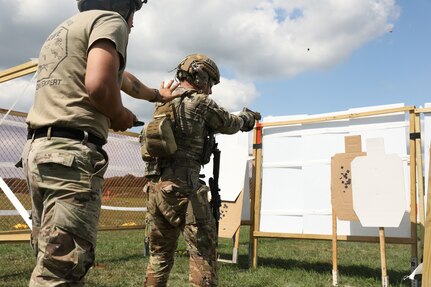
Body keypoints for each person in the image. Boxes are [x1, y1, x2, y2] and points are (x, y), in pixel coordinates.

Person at [20, 0, 178, 285]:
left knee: (51, 255)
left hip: (41, 152)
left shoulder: (66, 29)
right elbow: (99, 85)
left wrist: (156, 95)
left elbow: (122, 79)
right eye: (134, 13)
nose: (133, 24)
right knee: (62, 268)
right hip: (70, 155)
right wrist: (118, 115)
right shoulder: (111, 20)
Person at [142, 53, 260, 286]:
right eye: (211, 83)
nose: (211, 90)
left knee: (159, 256)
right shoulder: (200, 102)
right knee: (203, 254)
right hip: (185, 188)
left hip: (156, 189)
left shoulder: (163, 102)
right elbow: (230, 123)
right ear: (200, 75)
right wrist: (248, 118)